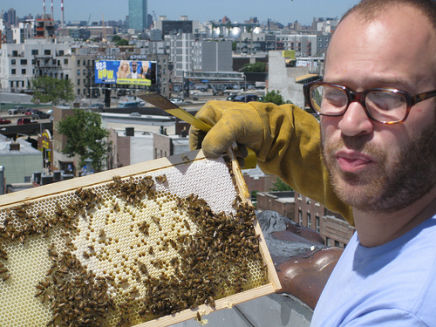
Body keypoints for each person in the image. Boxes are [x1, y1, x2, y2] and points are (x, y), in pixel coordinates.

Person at [190, 0, 436, 325]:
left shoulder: (400, 313)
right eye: (335, 93)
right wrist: (280, 139)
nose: (349, 124)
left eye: (387, 97)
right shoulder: (401, 215)